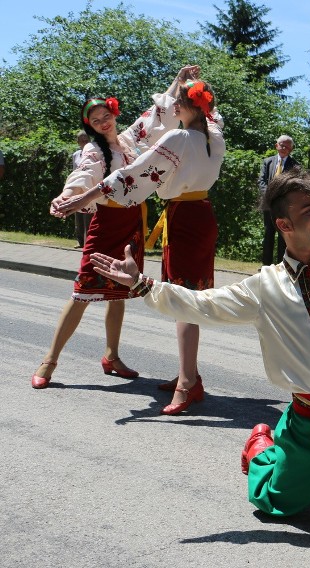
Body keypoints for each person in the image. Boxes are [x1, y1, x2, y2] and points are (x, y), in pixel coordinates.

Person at [88, 168, 310, 521]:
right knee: (274, 502)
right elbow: (203, 305)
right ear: (284, 225)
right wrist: (144, 284)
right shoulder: (264, 287)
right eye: (308, 210)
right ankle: (262, 448)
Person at [55, 75, 224, 416]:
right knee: (188, 297)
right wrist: (181, 82)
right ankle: (188, 375)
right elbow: (179, 120)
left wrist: (78, 201)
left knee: (183, 299)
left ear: (190, 107)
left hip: (182, 218)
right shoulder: (214, 134)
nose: (172, 104)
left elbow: (131, 175)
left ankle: (188, 383)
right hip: (202, 215)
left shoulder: (179, 137)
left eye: (179, 101)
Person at [32, 66, 197, 390]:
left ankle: (111, 355)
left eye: (105, 115)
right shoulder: (95, 150)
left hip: (131, 223)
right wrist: (67, 196)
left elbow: (157, 115)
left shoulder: (130, 139)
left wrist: (178, 82)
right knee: (81, 293)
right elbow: (83, 174)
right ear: (90, 126)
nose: (103, 121)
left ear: (113, 112)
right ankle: (49, 360)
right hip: (106, 225)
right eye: (95, 120)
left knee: (119, 291)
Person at [259, 135, 297, 264]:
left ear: (291, 149)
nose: (283, 147)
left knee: (283, 236)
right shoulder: (267, 162)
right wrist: (268, 196)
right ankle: (266, 266)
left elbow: (294, 185)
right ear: (276, 146)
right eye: (281, 144)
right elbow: (262, 181)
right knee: (268, 234)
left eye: (286, 146)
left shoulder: (295, 165)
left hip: (284, 207)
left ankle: (282, 265)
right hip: (268, 204)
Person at [71, 130, 93, 248]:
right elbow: (74, 172)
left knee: (88, 216)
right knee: (78, 215)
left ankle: (87, 242)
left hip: (89, 187)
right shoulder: (76, 155)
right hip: (77, 187)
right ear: (78, 142)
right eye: (82, 140)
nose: (84, 142)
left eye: (86, 140)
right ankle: (79, 241)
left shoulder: (93, 153)